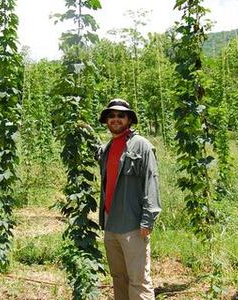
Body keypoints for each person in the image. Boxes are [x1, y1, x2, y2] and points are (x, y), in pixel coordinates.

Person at [96, 98, 161, 300]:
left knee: (139, 280)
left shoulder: (141, 146)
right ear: (107, 121)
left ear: (129, 120)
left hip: (133, 225)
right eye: (111, 116)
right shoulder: (107, 148)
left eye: (120, 115)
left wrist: (148, 219)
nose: (115, 119)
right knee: (118, 277)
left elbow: (152, 181)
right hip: (111, 225)